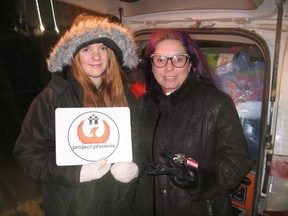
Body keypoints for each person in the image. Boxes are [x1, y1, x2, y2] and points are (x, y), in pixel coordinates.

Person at [13, 14, 142, 216]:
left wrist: (135, 167)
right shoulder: (53, 98)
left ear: (112, 53)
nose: (96, 57)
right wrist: (75, 173)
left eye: (103, 48)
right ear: (73, 54)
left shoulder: (126, 96)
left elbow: (139, 142)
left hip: (118, 206)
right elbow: (28, 154)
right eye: (86, 49)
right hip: (73, 208)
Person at [134, 29, 253, 216]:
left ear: (190, 64)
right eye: (160, 59)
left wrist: (200, 179)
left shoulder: (216, 103)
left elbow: (237, 160)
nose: (169, 68)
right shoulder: (143, 104)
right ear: (152, 65)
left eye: (178, 59)